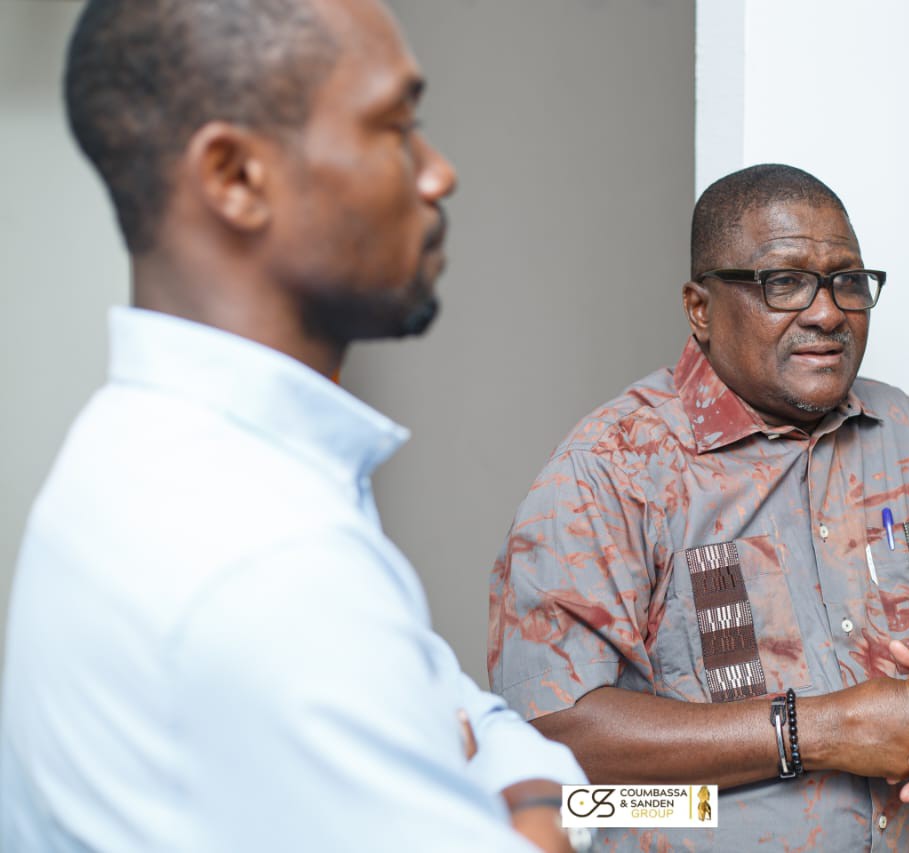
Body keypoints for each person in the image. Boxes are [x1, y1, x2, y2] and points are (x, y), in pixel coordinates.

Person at [0, 1, 584, 851]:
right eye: (397, 127)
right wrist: (536, 805)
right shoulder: (263, 558)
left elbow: (473, 715)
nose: (438, 174)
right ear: (235, 177)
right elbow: (540, 782)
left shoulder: (156, 458)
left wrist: (504, 784)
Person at [489, 164, 909, 851]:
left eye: (848, 281)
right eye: (784, 282)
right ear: (700, 308)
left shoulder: (904, 436)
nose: (828, 312)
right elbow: (553, 730)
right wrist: (818, 731)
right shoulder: (612, 468)